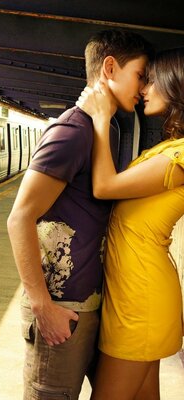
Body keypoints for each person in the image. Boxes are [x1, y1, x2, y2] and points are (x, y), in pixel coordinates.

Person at [6, 30, 153, 399]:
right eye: (141, 74)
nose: (145, 86)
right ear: (109, 68)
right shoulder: (72, 130)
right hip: (62, 307)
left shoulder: (105, 129)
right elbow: (20, 216)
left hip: (93, 304)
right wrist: (43, 306)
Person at [76, 48, 184, 400]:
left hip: (142, 301)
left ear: (176, 84)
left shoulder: (180, 155)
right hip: (132, 294)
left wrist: (101, 119)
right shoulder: (170, 148)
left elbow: (104, 186)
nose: (144, 90)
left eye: (152, 80)